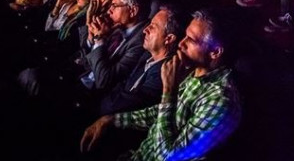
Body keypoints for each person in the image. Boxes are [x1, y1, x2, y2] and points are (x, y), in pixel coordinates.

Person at [80, 9, 241, 161]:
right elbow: (159, 115)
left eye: (191, 40)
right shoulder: (194, 71)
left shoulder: (221, 102)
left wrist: (169, 91)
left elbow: (168, 156)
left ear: (215, 52)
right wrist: (111, 119)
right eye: (184, 36)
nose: (181, 43)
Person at [98, 6, 187, 116]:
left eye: (153, 27)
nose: (145, 30)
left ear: (168, 38)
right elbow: (123, 84)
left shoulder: (165, 73)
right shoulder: (146, 55)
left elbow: (127, 107)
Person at [79, 0, 149, 92]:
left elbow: (104, 81)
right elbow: (85, 60)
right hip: (82, 76)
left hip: (93, 94)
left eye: (114, 6)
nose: (109, 10)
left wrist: (99, 39)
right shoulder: (115, 26)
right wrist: (91, 35)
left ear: (133, 11)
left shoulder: (140, 42)